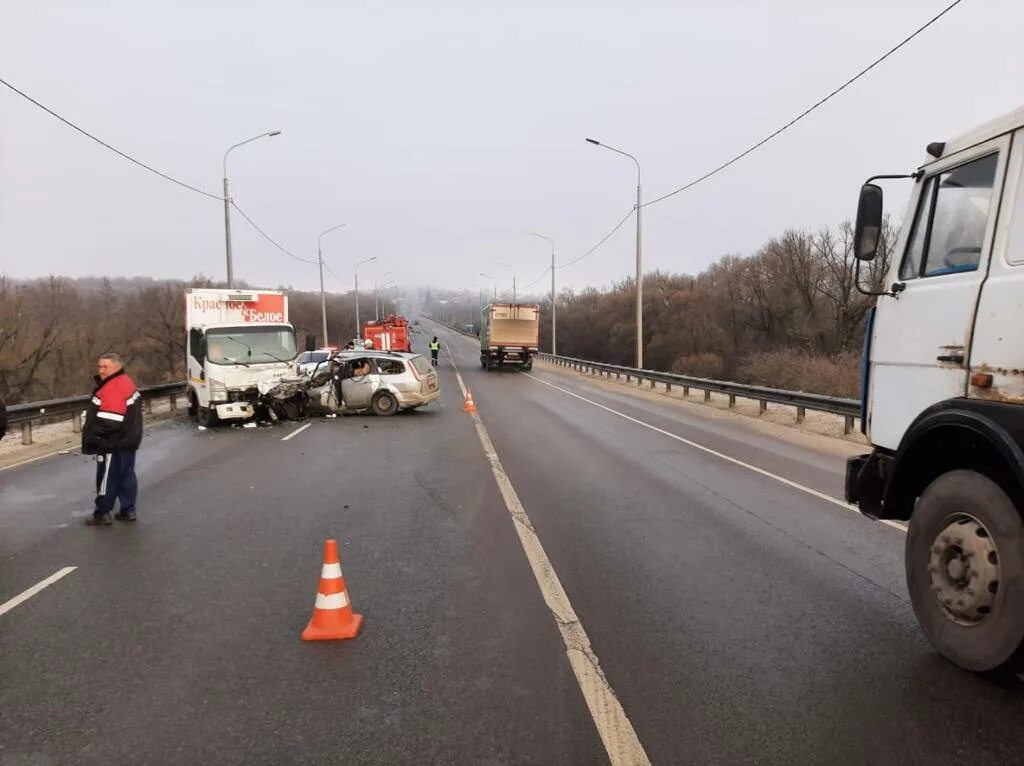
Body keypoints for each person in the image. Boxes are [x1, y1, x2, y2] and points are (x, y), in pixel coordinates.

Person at [81, 353, 143, 526]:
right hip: (127, 441)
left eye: (105, 367)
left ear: (116, 366)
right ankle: (128, 510)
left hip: (112, 442)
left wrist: (95, 436)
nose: (100, 371)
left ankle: (102, 513)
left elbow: (110, 420)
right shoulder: (124, 381)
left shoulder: (113, 387)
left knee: (107, 478)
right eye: (99, 366)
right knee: (126, 476)